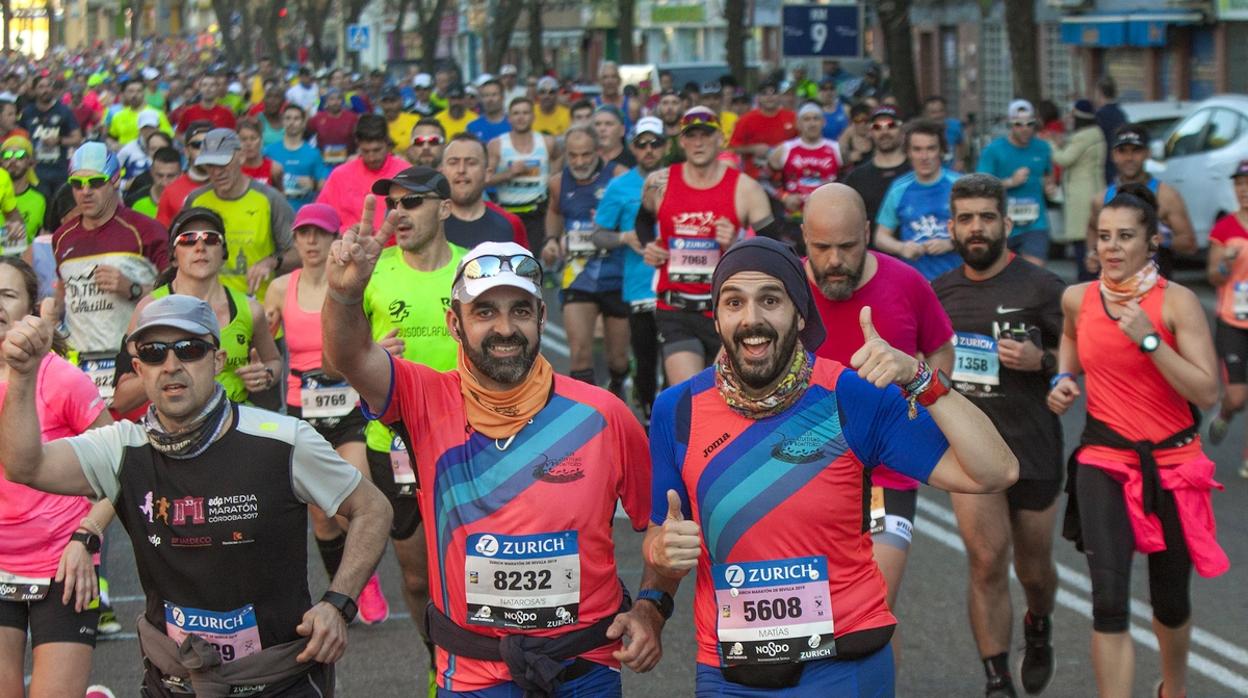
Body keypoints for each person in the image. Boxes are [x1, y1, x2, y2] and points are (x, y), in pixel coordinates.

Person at [645, 235, 1017, 695]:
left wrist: (920, 378)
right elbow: (659, 540)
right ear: (717, 316)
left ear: (800, 313)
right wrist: (659, 557)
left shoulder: (850, 395)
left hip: (845, 664)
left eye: (770, 300)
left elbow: (996, 471)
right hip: (732, 672)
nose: (752, 319)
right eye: (734, 302)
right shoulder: (676, 409)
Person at [323, 224, 673, 695]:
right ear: (455, 323)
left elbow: (659, 522)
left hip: (586, 666)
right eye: (485, 311)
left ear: (541, 317)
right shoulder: (424, 398)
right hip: (473, 672)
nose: (505, 328)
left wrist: (651, 608)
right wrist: (344, 297)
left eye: (520, 311)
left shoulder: (604, 414)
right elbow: (350, 355)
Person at [0, 292, 393, 697]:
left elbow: (372, 509)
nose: (171, 365)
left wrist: (338, 603)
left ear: (217, 361)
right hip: (175, 679)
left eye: (189, 349)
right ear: (138, 369)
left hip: (278, 679)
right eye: (154, 353)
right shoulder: (122, 448)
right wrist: (25, 376)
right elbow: (25, 466)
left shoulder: (283, 441)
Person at [1048, 183, 1227, 698]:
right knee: (1109, 601)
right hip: (1104, 459)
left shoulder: (1178, 303)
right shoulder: (1078, 298)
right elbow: (1070, 338)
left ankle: (1173, 687)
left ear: (1152, 242)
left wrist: (1149, 339)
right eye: (1104, 236)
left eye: (1126, 236)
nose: (1112, 247)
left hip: (1173, 462)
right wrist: (1062, 379)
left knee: (1169, 600)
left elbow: (1207, 391)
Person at [800, 183, 955, 670]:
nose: (835, 261)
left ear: (868, 233)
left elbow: (941, 354)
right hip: (802, 470)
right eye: (821, 248)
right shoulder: (781, 289)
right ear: (803, 238)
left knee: (871, 607)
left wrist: (921, 407)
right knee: (808, 616)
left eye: (847, 246)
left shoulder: (907, 283)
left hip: (885, 477)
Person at [933, 174, 1066, 698]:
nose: (977, 227)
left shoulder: (1042, 288)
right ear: (952, 227)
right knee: (987, 560)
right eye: (966, 218)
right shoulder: (938, 293)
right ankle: (997, 681)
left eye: (987, 217)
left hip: (1032, 446)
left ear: (1007, 223)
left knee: (1033, 570)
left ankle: (1038, 625)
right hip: (970, 455)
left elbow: (1083, 362)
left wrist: (1045, 361)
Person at [263, 203, 391, 627]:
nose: (312, 242)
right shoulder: (281, 288)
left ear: (335, 238)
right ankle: (342, 580)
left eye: (320, 234)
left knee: (354, 490)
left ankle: (363, 581)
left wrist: (380, 350)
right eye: (304, 234)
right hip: (304, 409)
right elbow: (267, 348)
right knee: (320, 513)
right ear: (295, 241)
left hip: (348, 405)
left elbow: (366, 337)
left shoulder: (350, 286)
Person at [0, 256, 114, 698]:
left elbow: (122, 465)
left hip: (63, 566)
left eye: (7, 295)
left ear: (31, 308)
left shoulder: (62, 379)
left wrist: (87, 537)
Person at [637, 107, 776, 388]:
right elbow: (642, 220)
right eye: (692, 136)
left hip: (728, 311)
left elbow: (775, 250)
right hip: (676, 308)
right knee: (691, 393)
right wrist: (648, 247)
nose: (699, 143)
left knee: (727, 392)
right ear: (682, 142)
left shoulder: (745, 189)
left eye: (706, 135)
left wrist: (739, 243)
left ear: (720, 139)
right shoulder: (659, 183)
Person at [112, 206, 283, 412]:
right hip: (176, 427)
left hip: (235, 425)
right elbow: (121, 400)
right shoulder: (149, 309)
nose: (200, 246)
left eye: (211, 239)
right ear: (173, 255)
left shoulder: (250, 308)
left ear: (224, 252)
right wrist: (167, 367)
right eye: (188, 239)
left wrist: (265, 375)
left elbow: (274, 361)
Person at [51, 142, 168, 401]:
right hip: (79, 368)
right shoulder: (62, 237)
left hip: (133, 365)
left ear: (115, 180)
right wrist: (52, 312)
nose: (85, 192)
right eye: (77, 184)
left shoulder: (146, 231)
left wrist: (133, 288)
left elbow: (177, 292)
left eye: (95, 182)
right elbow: (64, 293)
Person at [542, 126, 630, 395]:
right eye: (573, 156)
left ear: (599, 151)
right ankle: (587, 413)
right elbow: (555, 212)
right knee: (579, 353)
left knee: (618, 359)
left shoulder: (618, 177)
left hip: (616, 277)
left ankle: (617, 389)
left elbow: (635, 220)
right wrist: (551, 240)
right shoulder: (559, 182)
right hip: (577, 276)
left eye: (586, 155)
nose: (579, 162)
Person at [593, 116, 666, 423]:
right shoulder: (620, 186)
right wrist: (624, 236)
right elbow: (599, 234)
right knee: (646, 359)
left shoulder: (682, 177)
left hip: (678, 285)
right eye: (642, 143)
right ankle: (649, 418)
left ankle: (677, 420)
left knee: (679, 357)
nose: (649, 149)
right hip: (638, 286)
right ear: (633, 147)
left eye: (655, 143)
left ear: (666, 145)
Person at [184, 128, 296, 297]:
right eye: (210, 165)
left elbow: (300, 253)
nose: (217, 172)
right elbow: (180, 251)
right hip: (207, 309)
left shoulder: (269, 199)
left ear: (241, 156)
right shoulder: (196, 201)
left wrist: (271, 262)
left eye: (223, 163)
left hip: (258, 308)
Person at [1088, 125, 1197, 279]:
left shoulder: (1166, 196)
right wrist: (1093, 253)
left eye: (1136, 151)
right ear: (1113, 155)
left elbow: (1190, 243)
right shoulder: (1101, 199)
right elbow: (1093, 228)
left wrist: (1162, 239)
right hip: (1113, 293)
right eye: (1122, 151)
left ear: (1148, 153)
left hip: (1156, 292)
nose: (1129, 158)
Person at [874, 119, 962, 281]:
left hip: (956, 281)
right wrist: (901, 247)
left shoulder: (959, 186)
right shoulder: (898, 189)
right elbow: (880, 237)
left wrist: (951, 244)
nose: (924, 157)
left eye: (931, 149)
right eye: (917, 149)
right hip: (915, 283)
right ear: (907, 152)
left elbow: (977, 233)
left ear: (942, 151)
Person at [1205, 159, 1248, 477]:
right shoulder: (1225, 229)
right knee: (1237, 396)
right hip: (1233, 321)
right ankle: (1225, 412)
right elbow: (1213, 276)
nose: (1244, 191)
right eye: (1239, 184)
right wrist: (1225, 264)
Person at [976, 100, 1054, 267]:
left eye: (1029, 124)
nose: (1025, 129)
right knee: (1002, 274)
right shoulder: (993, 150)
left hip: (1035, 222)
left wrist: (1050, 186)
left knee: (1035, 271)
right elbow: (980, 186)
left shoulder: (1043, 148)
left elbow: (1049, 174)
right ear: (1010, 124)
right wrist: (1011, 182)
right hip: (1002, 222)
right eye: (1018, 124)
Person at [316, 114, 410, 233]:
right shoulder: (340, 176)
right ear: (358, 146)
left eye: (377, 150)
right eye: (365, 151)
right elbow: (321, 220)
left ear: (387, 144)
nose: (371, 158)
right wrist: (346, 231)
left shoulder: (405, 173)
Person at [488, 97, 559, 254]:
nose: (521, 117)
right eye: (516, 113)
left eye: (526, 113)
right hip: (508, 213)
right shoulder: (497, 144)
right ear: (509, 118)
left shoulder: (547, 142)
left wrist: (551, 179)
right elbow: (485, 180)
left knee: (533, 263)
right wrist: (510, 174)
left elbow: (559, 168)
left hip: (537, 213)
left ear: (533, 116)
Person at [1046, 99, 1105, 278]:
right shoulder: (1096, 133)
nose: (1069, 119)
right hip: (1095, 188)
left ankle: (1086, 278)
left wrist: (1050, 144)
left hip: (1082, 194)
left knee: (1083, 238)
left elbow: (1064, 159)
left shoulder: (1083, 136)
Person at [440, 133, 530, 249]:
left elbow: (526, 266)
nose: (461, 170)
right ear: (442, 173)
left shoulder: (510, 223)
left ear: (487, 174)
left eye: (471, 163)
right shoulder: (429, 223)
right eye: (453, 162)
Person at [767, 102, 841, 224]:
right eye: (806, 119)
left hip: (828, 218)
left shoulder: (837, 149)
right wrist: (784, 197)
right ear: (798, 124)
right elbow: (764, 181)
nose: (812, 124)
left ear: (823, 122)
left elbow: (848, 183)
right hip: (794, 219)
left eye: (816, 119)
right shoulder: (784, 149)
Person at [843, 106, 910, 229]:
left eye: (891, 125)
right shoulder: (857, 177)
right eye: (877, 127)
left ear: (902, 130)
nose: (884, 132)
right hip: (870, 247)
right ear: (870, 132)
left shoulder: (916, 170)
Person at [20, 75, 82, 196]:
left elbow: (77, 138)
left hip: (59, 171)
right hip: (36, 171)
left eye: (48, 86)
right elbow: (21, 138)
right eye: (41, 87)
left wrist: (58, 140)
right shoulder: (27, 112)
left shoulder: (64, 111)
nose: (46, 90)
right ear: (34, 90)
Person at [729, 79, 797, 182]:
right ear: (758, 98)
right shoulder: (746, 120)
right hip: (755, 177)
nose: (769, 97)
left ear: (779, 96)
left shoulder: (792, 117)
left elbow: (802, 143)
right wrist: (753, 149)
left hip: (787, 176)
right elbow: (732, 148)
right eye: (764, 93)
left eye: (773, 93)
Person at [265, 104, 328, 211]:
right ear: (283, 122)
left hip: (303, 213)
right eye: (288, 118)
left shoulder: (314, 153)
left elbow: (324, 185)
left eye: (296, 118)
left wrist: (313, 184)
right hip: (274, 211)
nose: (292, 122)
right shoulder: (269, 151)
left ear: (303, 123)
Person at [155, 120, 214, 227]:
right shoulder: (170, 191)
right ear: (186, 152)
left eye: (210, 144)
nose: (203, 150)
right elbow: (162, 235)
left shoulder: (228, 186)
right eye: (197, 145)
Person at [3, 135, 46, 244]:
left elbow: (45, 239)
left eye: (20, 155)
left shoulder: (41, 199)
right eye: (7, 155)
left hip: (26, 259)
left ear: (30, 161)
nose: (12, 160)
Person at [106, 78, 172, 148]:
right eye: (130, 91)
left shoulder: (157, 114)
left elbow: (168, 136)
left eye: (139, 91)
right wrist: (113, 145)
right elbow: (111, 137)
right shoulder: (118, 116)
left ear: (144, 93)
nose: (134, 95)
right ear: (124, 93)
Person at [307, 88, 358, 169]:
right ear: (326, 101)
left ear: (342, 101)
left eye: (338, 98)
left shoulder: (352, 118)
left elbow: (360, 139)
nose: (335, 102)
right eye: (332, 99)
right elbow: (305, 136)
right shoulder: (318, 118)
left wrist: (357, 155)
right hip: (324, 165)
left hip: (348, 164)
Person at [128, 146, 182, 220]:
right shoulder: (134, 200)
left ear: (181, 175)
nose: (164, 182)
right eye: (160, 175)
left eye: (170, 176)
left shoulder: (189, 200)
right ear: (151, 173)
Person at [1093, 77, 1127, 182]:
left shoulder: (1099, 116)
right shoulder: (1121, 114)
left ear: (1100, 92)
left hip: (1105, 166)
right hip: (1120, 163)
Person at [237, 117, 284, 189]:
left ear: (261, 140)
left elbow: (281, 197)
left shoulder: (274, 169)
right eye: (243, 139)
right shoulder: (234, 169)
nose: (248, 144)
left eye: (253, 138)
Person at [924, 95, 966, 171]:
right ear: (926, 114)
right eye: (933, 112)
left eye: (941, 111)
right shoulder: (921, 131)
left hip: (952, 173)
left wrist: (960, 161)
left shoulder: (955, 125)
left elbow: (962, 144)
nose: (938, 115)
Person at [466, 78, 510, 144]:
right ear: (481, 99)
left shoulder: (513, 124)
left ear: (503, 97)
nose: (490, 99)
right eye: (486, 95)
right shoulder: (472, 127)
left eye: (494, 95)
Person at [592, 105, 636, 170]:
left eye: (608, 124)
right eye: (597, 124)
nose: (602, 129)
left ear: (622, 130)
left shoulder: (634, 162)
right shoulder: (586, 160)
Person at [381, 88, 420, 157]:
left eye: (392, 102)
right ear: (380, 104)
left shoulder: (414, 120)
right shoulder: (377, 124)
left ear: (401, 102)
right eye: (385, 102)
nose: (389, 106)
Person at [837, 102, 874, 170]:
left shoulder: (876, 136)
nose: (862, 124)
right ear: (852, 122)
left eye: (866, 120)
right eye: (858, 120)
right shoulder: (847, 136)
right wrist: (848, 158)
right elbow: (837, 157)